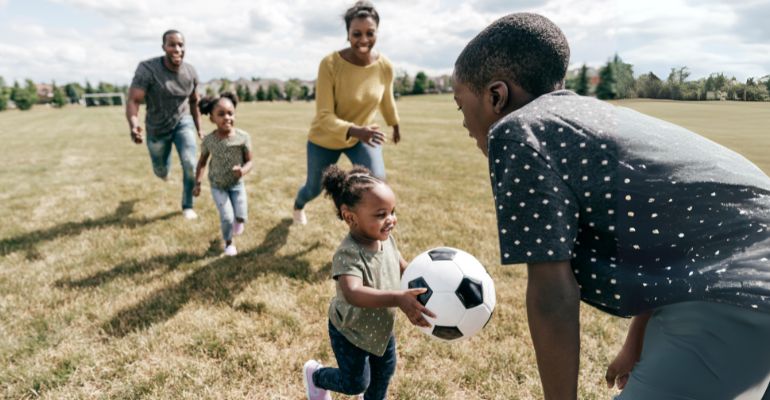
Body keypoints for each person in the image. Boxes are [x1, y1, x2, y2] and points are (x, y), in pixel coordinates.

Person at [452, 12, 770, 400]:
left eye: (460, 105)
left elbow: (552, 295)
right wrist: (636, 341)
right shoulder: (594, 116)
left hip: (738, 292)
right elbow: (672, 239)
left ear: (496, 96)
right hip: (738, 282)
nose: (465, 123)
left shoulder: (518, 131)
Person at [302, 165, 435, 400]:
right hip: (350, 331)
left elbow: (404, 268)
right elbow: (353, 292)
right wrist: (397, 298)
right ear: (350, 217)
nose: (391, 219)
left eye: (393, 211)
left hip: (381, 330)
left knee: (383, 374)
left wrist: (429, 280)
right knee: (355, 382)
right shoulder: (348, 253)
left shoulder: (387, 241)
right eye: (381, 214)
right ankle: (317, 376)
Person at [292, 1, 401, 226]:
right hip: (325, 138)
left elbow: (386, 99)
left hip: (363, 137)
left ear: (377, 33)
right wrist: (354, 130)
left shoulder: (385, 66)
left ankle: (367, 231)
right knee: (314, 188)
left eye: (370, 33)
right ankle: (299, 205)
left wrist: (395, 124)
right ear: (347, 34)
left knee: (377, 182)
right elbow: (323, 114)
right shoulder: (330, 64)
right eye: (356, 33)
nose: (363, 39)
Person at [126, 29, 203, 220]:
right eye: (172, 44)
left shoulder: (190, 71)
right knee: (160, 170)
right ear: (164, 47)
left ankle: (187, 205)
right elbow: (134, 100)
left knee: (190, 162)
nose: (177, 49)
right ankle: (163, 171)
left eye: (181, 44)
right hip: (157, 127)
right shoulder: (148, 69)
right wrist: (133, 124)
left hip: (182, 122)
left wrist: (199, 127)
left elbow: (194, 101)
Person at [192, 92, 252, 256]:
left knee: (241, 216)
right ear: (212, 118)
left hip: (236, 184)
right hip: (218, 185)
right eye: (221, 114)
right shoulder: (209, 140)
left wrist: (243, 171)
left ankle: (238, 221)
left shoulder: (243, 137)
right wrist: (197, 183)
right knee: (226, 217)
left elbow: (250, 162)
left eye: (230, 113)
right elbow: (202, 162)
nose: (227, 117)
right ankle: (228, 243)